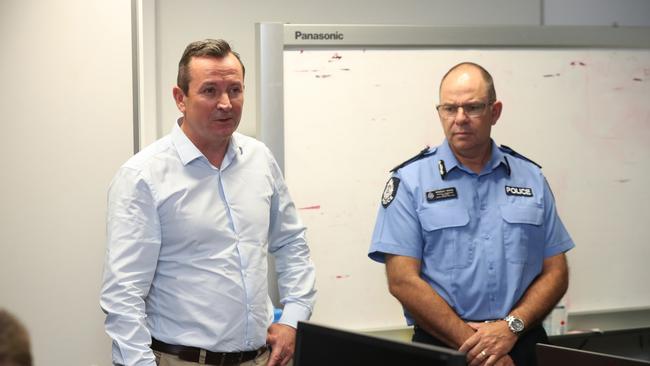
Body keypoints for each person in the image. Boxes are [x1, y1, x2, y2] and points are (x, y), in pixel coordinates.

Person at [100, 39, 316, 366]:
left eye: (235, 90)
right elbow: (123, 294)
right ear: (180, 98)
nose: (226, 103)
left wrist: (293, 318)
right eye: (210, 91)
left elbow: (291, 242)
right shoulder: (143, 177)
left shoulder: (260, 160)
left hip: (263, 359)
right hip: (182, 359)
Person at [368, 62, 574, 366]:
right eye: (450, 109)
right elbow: (401, 280)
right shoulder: (410, 182)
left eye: (473, 107)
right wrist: (481, 347)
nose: (460, 119)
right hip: (444, 347)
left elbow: (556, 272)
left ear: (495, 111)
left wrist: (510, 328)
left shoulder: (531, 179)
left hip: (521, 343)